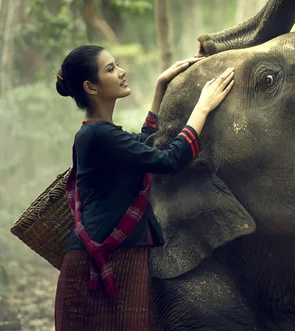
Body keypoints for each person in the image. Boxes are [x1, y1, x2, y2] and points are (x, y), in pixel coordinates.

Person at [53, 44, 234, 330]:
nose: (121, 72)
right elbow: (170, 159)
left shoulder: (103, 133)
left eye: (117, 65)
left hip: (122, 256)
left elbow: (143, 142)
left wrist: (160, 86)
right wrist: (203, 107)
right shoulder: (98, 134)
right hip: (100, 262)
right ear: (91, 86)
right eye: (110, 69)